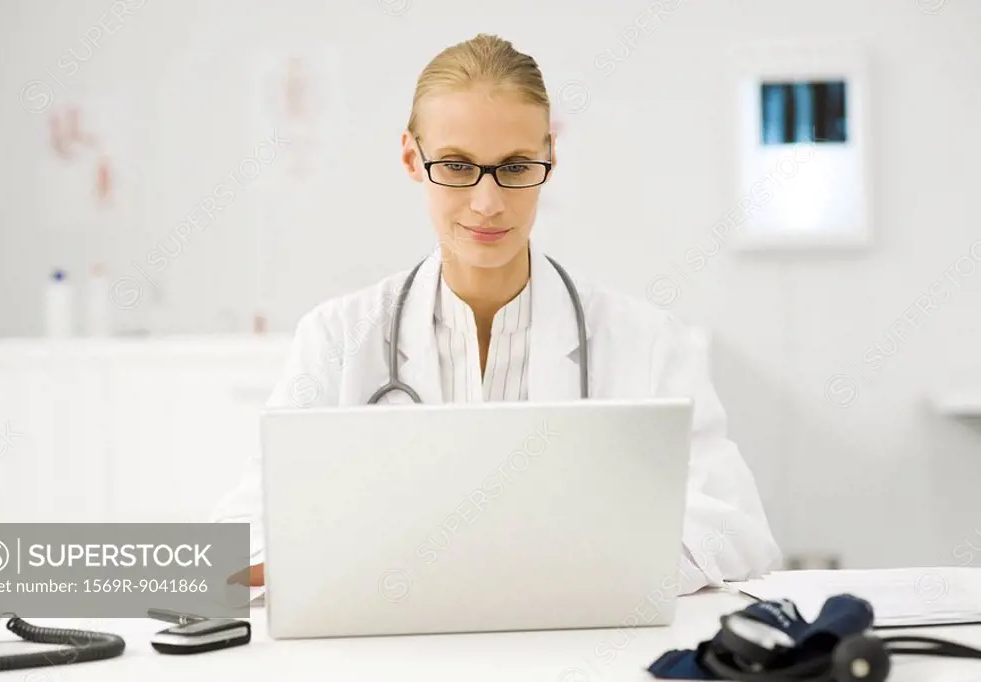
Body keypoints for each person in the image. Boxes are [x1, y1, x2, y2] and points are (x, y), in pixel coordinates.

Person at [213, 33, 782, 595]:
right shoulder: (338, 339)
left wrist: (549, 566)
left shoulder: (649, 343)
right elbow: (236, 543)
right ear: (413, 157)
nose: (488, 202)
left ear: (549, 158)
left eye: (514, 166)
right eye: (458, 166)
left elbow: (737, 531)